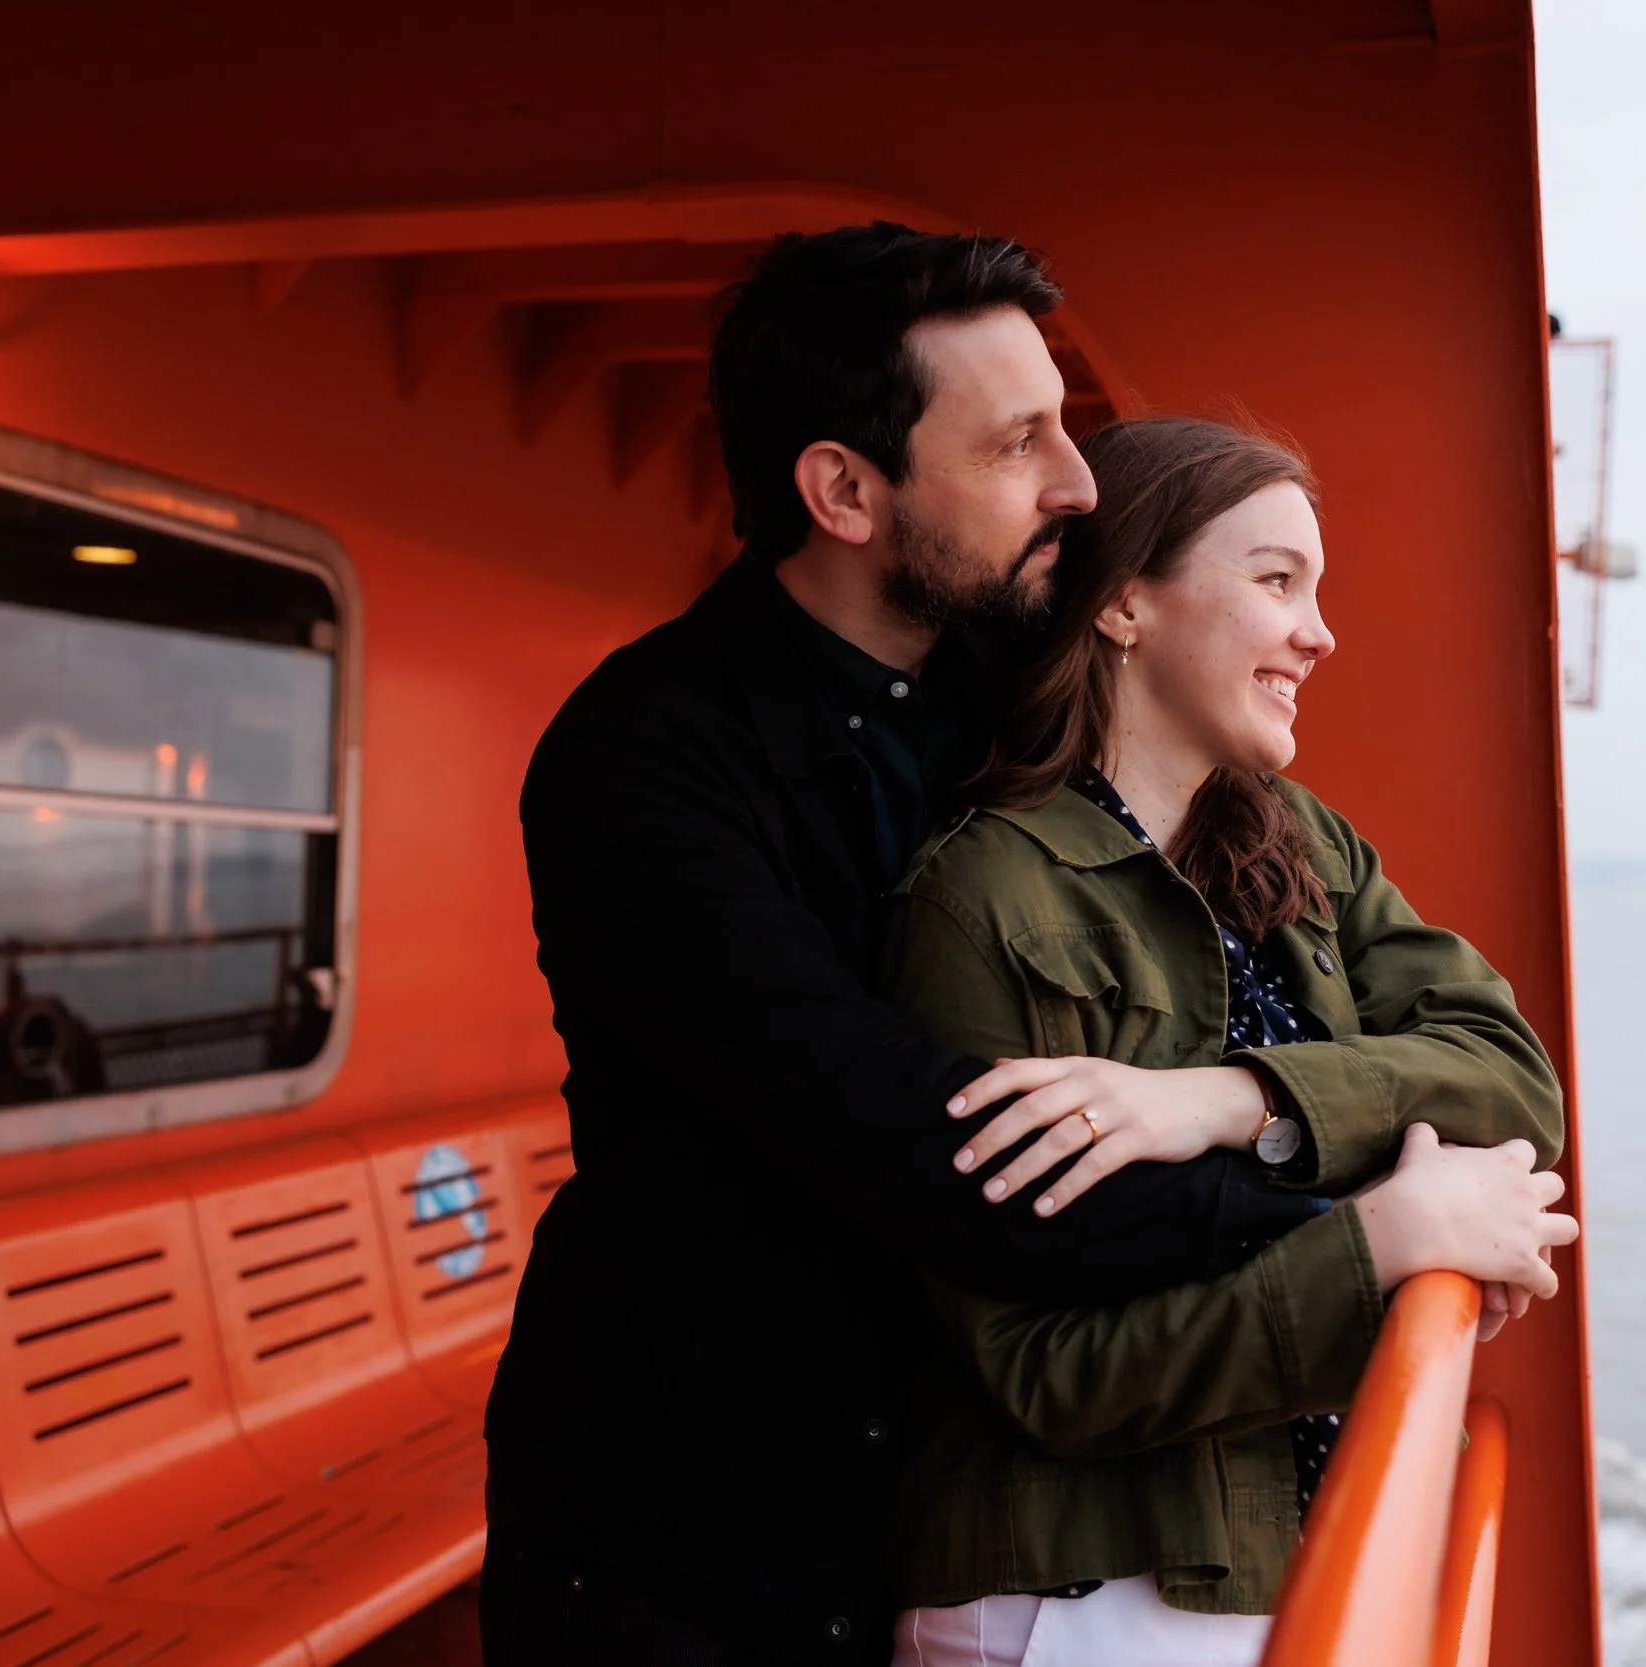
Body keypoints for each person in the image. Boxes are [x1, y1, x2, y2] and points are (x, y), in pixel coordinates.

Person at [485, 224, 1559, 1666]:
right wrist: (1355, 1224)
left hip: (961, 1479)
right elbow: (942, 1147)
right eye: (1019, 444)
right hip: (702, 1511)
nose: (1080, 482)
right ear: (845, 491)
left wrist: (1239, 1102)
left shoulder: (1024, 695)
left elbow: (1479, 1056)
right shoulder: (647, 763)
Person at [878, 415, 1577, 1666]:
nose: (1319, 631)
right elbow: (1049, 1372)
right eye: (1275, 581)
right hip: (1085, 1597)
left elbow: (1513, 1086)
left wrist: (1230, 1100)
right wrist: (1382, 1242)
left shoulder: (1297, 840)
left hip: (1293, 1551)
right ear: (1126, 603)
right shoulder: (984, 898)